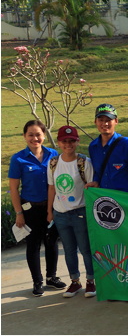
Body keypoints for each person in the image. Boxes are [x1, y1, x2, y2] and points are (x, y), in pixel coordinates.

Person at [9, 120, 67, 296]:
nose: (35, 138)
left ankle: (51, 277)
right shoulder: (18, 159)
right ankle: (37, 281)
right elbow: (13, 188)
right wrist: (19, 213)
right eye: (31, 134)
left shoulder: (53, 154)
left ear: (43, 135)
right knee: (33, 245)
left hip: (51, 207)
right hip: (30, 209)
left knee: (51, 242)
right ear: (25, 136)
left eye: (38, 134)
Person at [46, 126, 96, 298]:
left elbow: (90, 188)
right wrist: (50, 211)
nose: (68, 144)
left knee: (85, 248)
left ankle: (91, 280)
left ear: (77, 141)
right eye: (64, 141)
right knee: (68, 250)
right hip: (60, 214)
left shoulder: (83, 162)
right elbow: (52, 188)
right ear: (59, 143)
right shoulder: (53, 163)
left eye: (71, 141)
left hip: (79, 212)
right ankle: (75, 281)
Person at [88, 103, 128, 194]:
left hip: (125, 199)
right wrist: (96, 181)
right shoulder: (93, 147)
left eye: (109, 120)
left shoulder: (127, 144)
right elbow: (97, 172)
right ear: (95, 122)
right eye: (101, 120)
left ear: (116, 121)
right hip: (105, 199)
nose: (105, 123)